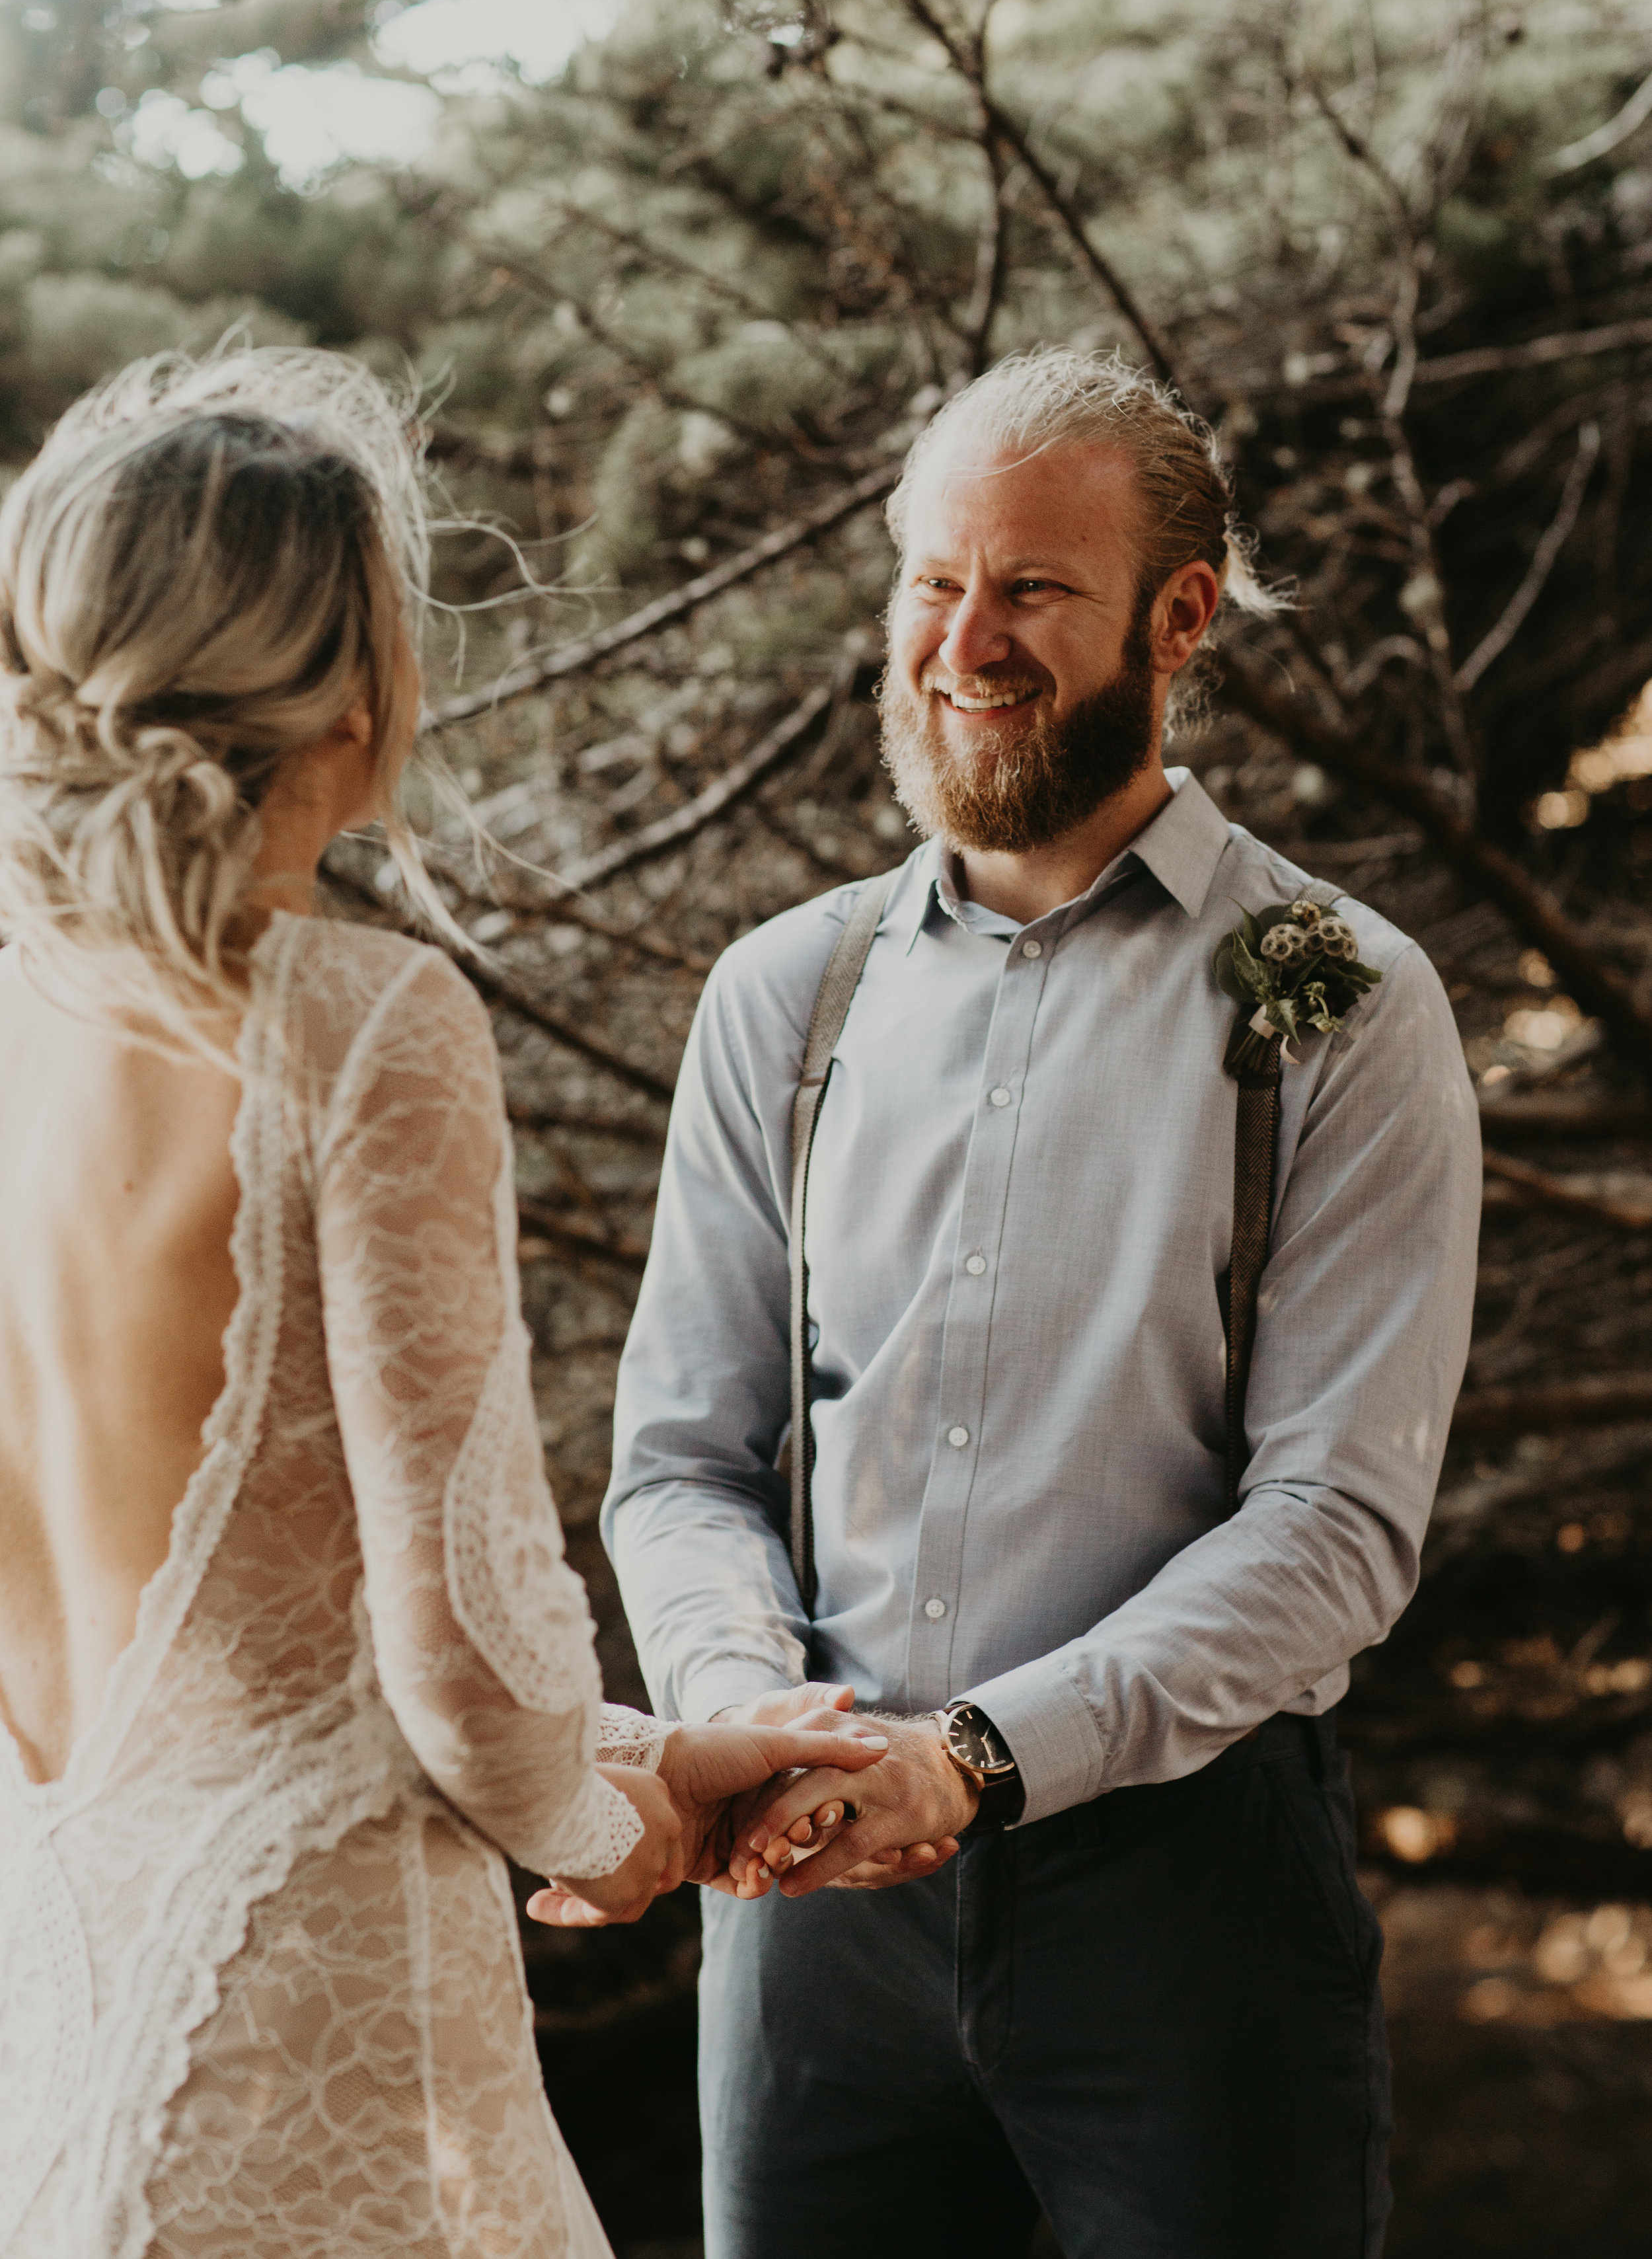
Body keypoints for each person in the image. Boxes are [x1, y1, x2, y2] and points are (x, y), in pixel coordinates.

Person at [0, 348, 886, 2259]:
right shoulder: (361, 1024)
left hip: (56, 2062)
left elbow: (287, 1656)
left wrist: (644, 1752)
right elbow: (462, 1665)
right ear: (346, 680)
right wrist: (619, 1831)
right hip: (323, 2063)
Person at [604, 348, 1482, 2259]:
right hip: (811, 1928)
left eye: (1029, 589)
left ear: (1177, 618)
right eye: (933, 579)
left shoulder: (1333, 995)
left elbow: (1336, 1527)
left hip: (1187, 1915)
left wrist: (980, 1759)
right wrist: (751, 1710)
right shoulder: (786, 996)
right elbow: (678, 1456)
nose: (963, 641)